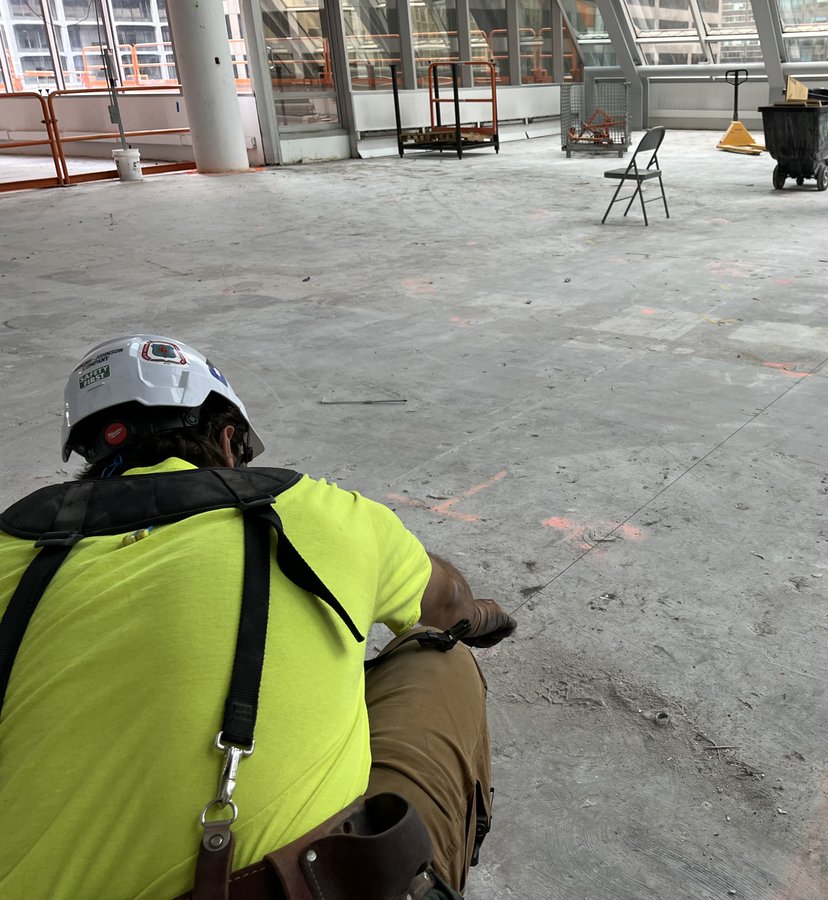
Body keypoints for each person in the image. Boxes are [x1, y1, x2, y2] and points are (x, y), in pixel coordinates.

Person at [0, 335, 517, 899]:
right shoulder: (318, 512)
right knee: (438, 659)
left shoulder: (10, 547)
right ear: (228, 441)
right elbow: (448, 605)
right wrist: (488, 618)